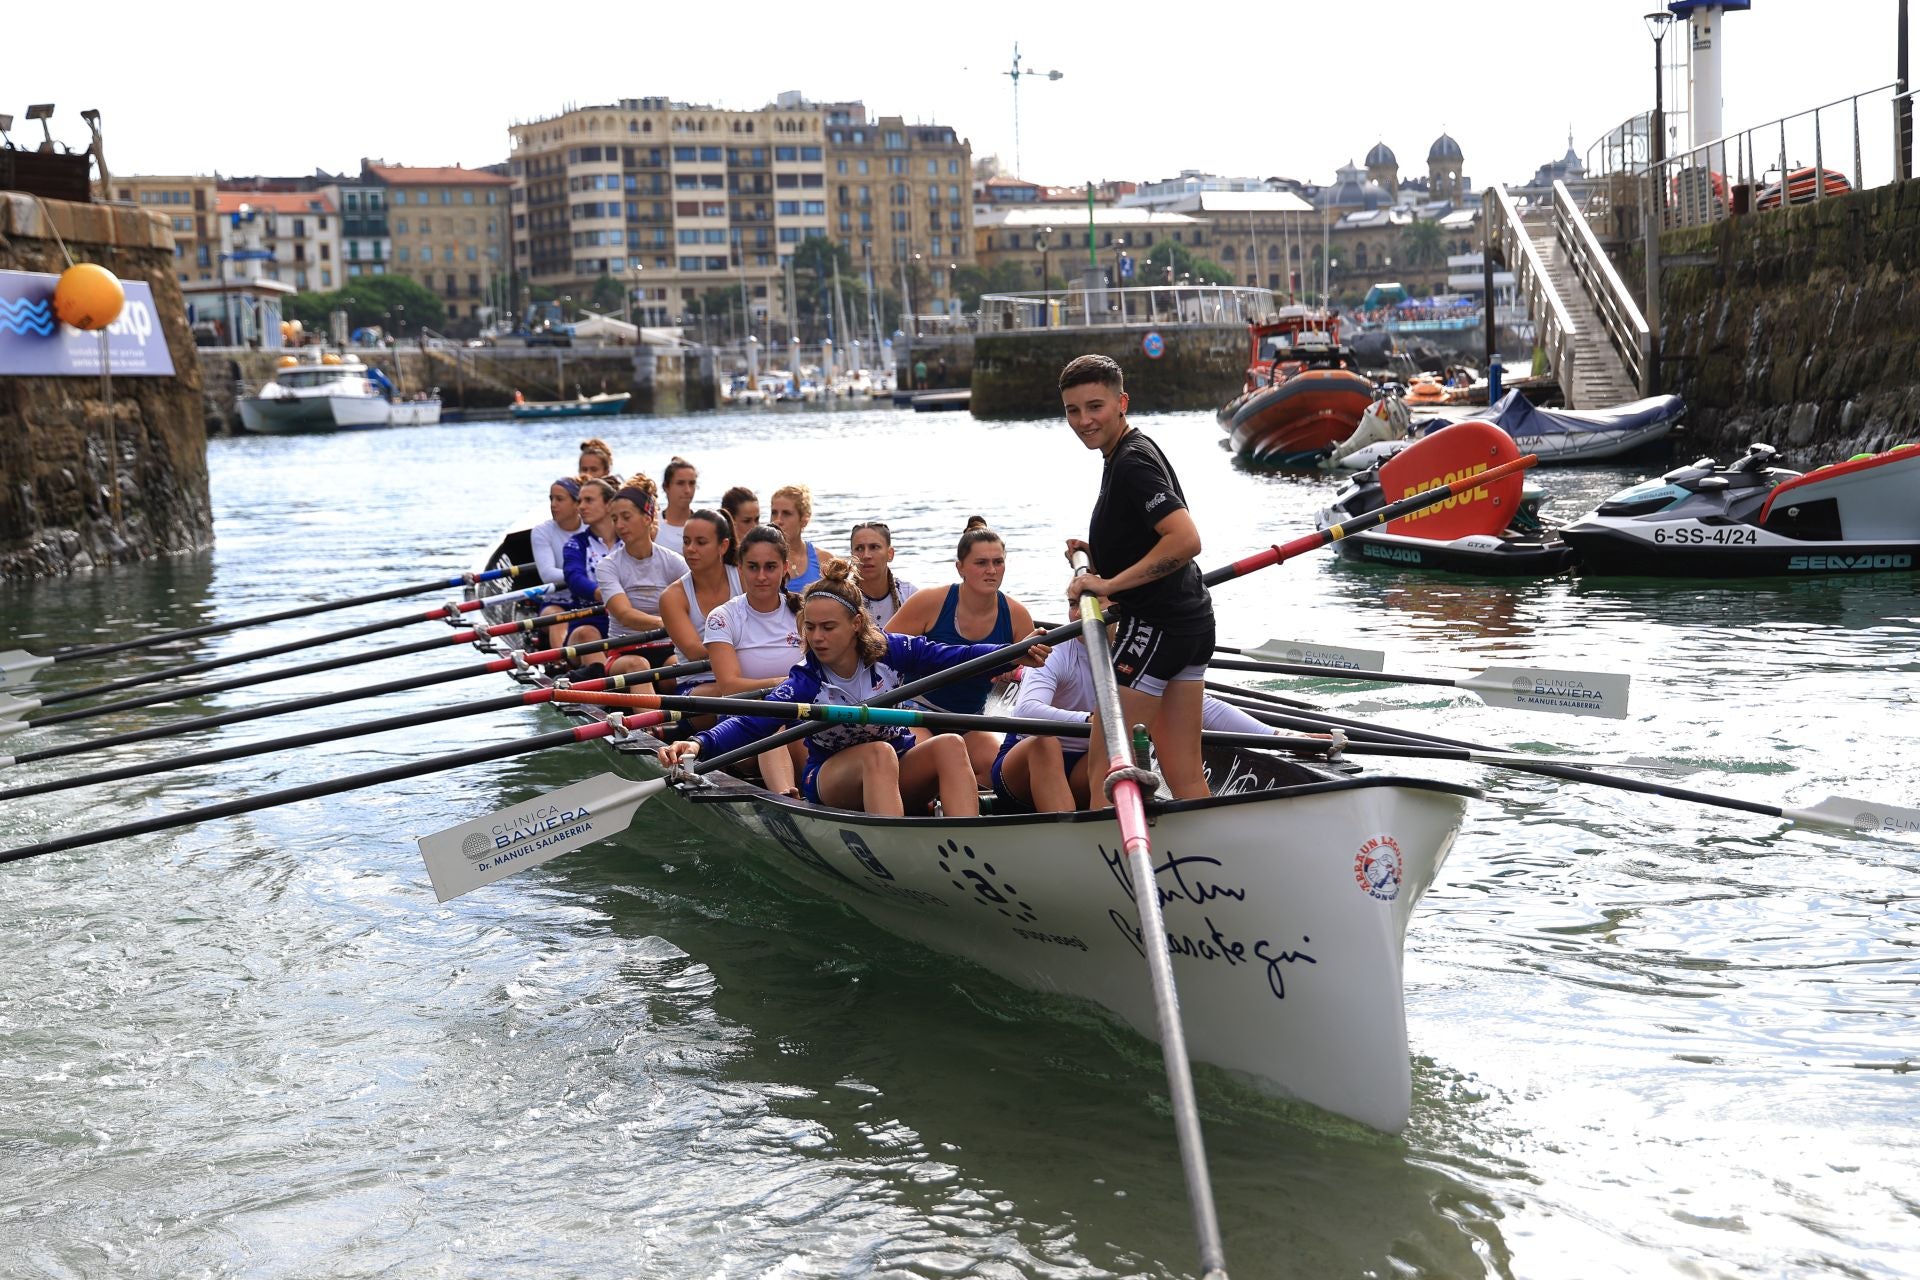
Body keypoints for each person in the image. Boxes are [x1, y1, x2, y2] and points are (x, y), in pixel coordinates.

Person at [657, 561, 1049, 817]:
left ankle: (971, 849)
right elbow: (753, 724)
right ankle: (896, 855)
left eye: (828, 628)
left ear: (857, 625)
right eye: (810, 627)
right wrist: (699, 745)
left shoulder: (892, 650)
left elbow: (957, 657)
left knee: (949, 744)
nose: (818, 637)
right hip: (830, 780)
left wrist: (1014, 653)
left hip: (897, 769)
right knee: (877, 753)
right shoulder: (806, 679)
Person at [1059, 352, 1214, 806]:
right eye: (1072, 410)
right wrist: (1094, 556)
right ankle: (1205, 863)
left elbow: (1184, 539)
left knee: (1105, 767)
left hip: (1156, 630)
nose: (1084, 420)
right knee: (1183, 771)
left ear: (1121, 401)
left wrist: (1105, 586)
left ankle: (1104, 866)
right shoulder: (1130, 449)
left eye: (1095, 407)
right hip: (1193, 622)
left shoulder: (1131, 464)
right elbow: (1145, 537)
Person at [994, 603, 1281, 813]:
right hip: (1023, 771)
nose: (1079, 614)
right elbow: (1027, 712)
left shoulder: (1132, 651)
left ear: (1118, 608)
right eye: (1073, 605)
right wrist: (1094, 720)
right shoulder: (1057, 650)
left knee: (1139, 731)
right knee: (1047, 744)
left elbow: (1199, 707)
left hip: (1086, 768)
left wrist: (1276, 737)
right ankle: (1068, 841)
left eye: (1091, 603)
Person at [886, 516, 1034, 784]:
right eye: (981, 563)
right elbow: (880, 652)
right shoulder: (929, 602)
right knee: (931, 759)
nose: (991, 570)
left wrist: (1015, 670)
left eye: (998, 562)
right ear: (960, 567)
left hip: (970, 719)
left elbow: (1039, 674)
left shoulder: (1017, 616)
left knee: (996, 768)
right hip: (916, 710)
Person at [704, 525, 809, 795]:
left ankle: (816, 795)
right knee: (773, 727)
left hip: (800, 718)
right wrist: (787, 684)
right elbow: (728, 686)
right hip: (743, 725)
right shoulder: (722, 617)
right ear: (739, 568)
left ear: (786, 567)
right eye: (753, 567)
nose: (761, 576)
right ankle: (789, 800)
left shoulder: (804, 613)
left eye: (770, 567)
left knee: (801, 730)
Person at [594, 479, 688, 677]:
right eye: (614, 518)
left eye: (626, 517)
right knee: (638, 666)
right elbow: (625, 615)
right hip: (624, 651)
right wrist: (666, 623)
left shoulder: (674, 562)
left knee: (676, 668)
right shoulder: (608, 566)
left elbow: (694, 607)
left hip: (667, 648)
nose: (619, 525)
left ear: (647, 518)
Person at [658, 509, 740, 693]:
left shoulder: (744, 577)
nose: (690, 549)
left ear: (723, 546)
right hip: (699, 682)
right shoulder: (673, 596)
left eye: (701, 542)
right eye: (686, 542)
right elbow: (694, 652)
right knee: (735, 691)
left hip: (747, 677)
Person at [558, 476, 621, 654]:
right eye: (579, 501)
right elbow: (574, 577)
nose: (581, 507)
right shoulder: (576, 544)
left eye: (589, 500)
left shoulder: (629, 541)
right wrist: (605, 594)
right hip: (588, 619)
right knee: (588, 634)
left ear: (609, 504)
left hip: (627, 620)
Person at [532, 476, 585, 648]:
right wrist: (585, 578)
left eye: (559, 499)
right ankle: (561, 664)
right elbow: (548, 575)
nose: (553, 504)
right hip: (556, 602)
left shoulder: (592, 528)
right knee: (557, 619)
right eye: (551, 499)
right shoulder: (542, 532)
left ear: (577, 503)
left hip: (589, 599)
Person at [848, 520, 917, 629]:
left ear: (890, 554)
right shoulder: (841, 597)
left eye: (874, 547)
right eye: (859, 548)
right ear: (852, 556)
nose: (866, 556)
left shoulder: (909, 595)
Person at [768, 483, 831, 589]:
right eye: (774, 513)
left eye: (786, 513)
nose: (777, 520)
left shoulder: (824, 560)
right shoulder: (760, 559)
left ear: (804, 520)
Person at [655, 456, 697, 555]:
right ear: (666, 487)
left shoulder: (705, 524)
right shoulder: (652, 525)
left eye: (692, 483)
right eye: (680, 483)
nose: (687, 490)